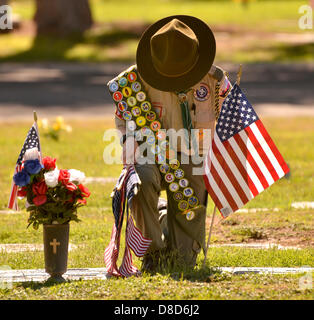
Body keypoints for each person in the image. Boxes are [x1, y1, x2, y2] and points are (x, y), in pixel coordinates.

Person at [109, 15, 231, 272]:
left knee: (182, 263)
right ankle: (152, 250)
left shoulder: (215, 81)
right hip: (151, 154)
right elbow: (123, 118)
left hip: (192, 157)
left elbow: (229, 124)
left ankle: (164, 218)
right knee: (139, 181)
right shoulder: (134, 81)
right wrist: (127, 139)